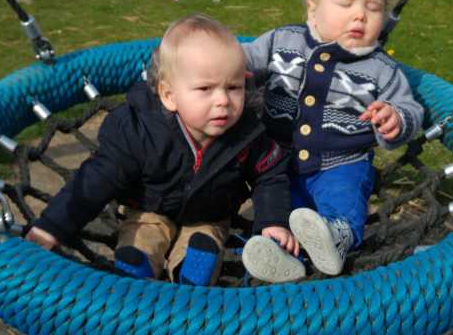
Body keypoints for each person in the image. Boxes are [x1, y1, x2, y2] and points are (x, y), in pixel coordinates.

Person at [25, 14, 300, 285]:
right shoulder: (138, 131)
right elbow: (96, 179)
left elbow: (270, 175)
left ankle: (190, 270)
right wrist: (52, 227)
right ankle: (138, 265)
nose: (223, 100)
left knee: (206, 239)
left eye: (233, 87)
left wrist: (272, 221)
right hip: (147, 208)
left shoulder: (247, 133)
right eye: (205, 88)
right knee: (144, 234)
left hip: (209, 215)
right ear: (169, 96)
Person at [240, 0, 424, 280]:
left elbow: (410, 108)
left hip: (343, 163)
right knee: (280, 210)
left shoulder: (381, 69)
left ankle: (337, 238)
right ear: (313, 9)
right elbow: (243, 58)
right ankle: (280, 252)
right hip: (277, 163)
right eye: (346, 4)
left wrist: (395, 118)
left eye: (373, 7)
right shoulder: (282, 41)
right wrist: (221, 67)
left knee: (344, 200)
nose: (360, 15)